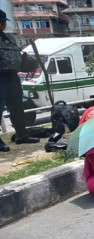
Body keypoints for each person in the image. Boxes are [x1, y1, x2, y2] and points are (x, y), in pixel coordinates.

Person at [0, 9, 39, 152]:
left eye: (4, 22)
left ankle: (21, 135)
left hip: (13, 76)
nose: (4, 24)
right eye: (2, 22)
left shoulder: (9, 38)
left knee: (17, 107)